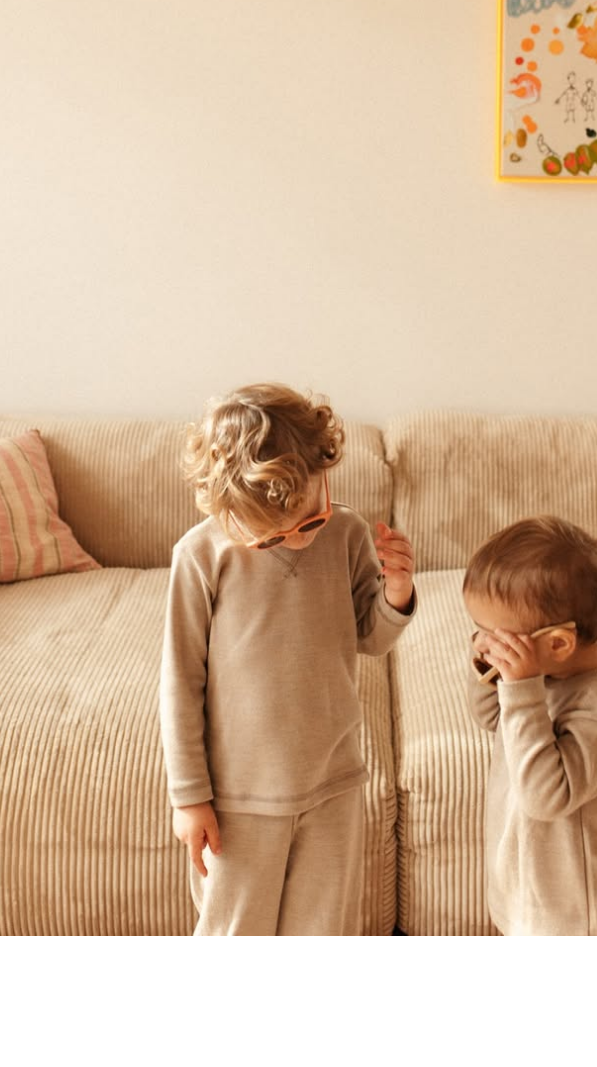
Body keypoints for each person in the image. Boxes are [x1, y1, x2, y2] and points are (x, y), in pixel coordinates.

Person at [161, 383, 416, 934]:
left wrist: (396, 591)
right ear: (232, 505)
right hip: (238, 799)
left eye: (313, 513)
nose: (304, 535)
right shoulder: (200, 557)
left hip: (333, 782)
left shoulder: (346, 533)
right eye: (280, 531)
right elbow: (180, 684)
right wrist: (190, 799)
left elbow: (369, 636)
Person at [464, 515, 597, 935]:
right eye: (481, 633)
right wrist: (489, 666)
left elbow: (545, 798)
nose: (487, 644)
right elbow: (491, 717)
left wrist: (520, 689)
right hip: (536, 894)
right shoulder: (541, 676)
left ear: (558, 643)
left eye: (499, 638)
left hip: (582, 916)